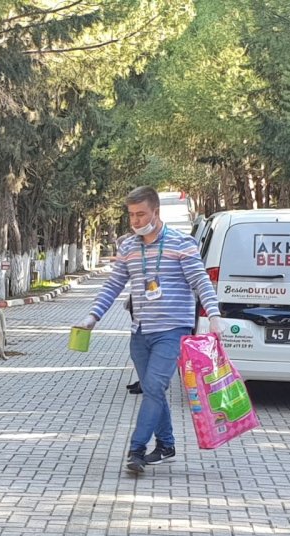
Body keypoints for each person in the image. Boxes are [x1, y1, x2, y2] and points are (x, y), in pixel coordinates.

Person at [76, 186, 222, 475]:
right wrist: (93, 317)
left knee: (154, 387)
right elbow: (114, 285)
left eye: (141, 214)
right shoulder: (129, 247)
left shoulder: (182, 244)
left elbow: (201, 282)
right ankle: (166, 444)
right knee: (154, 391)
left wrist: (214, 315)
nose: (136, 221)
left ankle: (137, 449)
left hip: (172, 330)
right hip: (140, 332)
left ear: (157, 212)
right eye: (131, 215)